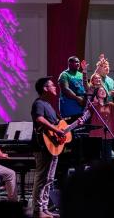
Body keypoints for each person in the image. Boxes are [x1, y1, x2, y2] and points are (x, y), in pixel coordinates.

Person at [31, 77, 80, 218]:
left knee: (49, 178)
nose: (55, 88)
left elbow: (60, 125)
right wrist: (56, 130)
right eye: (52, 86)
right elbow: (39, 119)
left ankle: (44, 207)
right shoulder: (39, 103)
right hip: (42, 146)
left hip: (52, 146)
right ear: (45, 88)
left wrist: (73, 125)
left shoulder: (48, 105)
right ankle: (37, 209)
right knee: (42, 178)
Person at [84, 86, 114, 164]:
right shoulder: (93, 105)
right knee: (98, 156)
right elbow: (88, 112)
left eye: (104, 91)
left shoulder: (110, 105)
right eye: (100, 91)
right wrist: (95, 104)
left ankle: (107, 173)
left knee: (108, 156)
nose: (103, 92)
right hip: (97, 135)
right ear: (96, 94)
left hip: (108, 133)